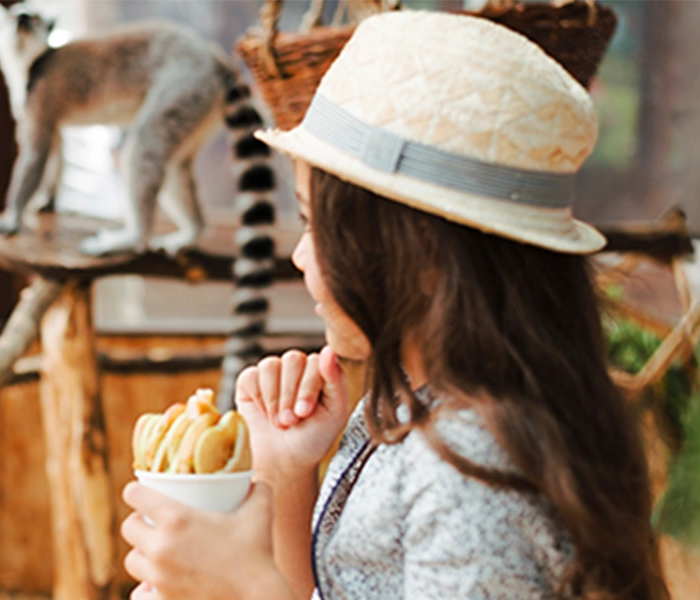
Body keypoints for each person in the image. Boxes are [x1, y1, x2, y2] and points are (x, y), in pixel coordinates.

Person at [119, 11, 669, 600]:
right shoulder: (409, 403)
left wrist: (241, 587)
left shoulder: (474, 465)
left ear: (424, 254)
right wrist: (286, 469)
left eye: (313, 224)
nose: (300, 256)